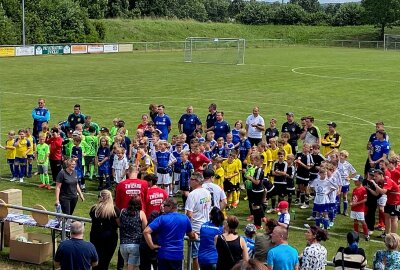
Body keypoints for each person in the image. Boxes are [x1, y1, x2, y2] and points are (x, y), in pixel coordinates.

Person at [144, 198, 197, 270]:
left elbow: (146, 231)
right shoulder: (185, 218)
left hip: (163, 254)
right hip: (177, 255)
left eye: (165, 205)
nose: (162, 207)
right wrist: (195, 235)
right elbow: (191, 235)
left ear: (171, 206)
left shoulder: (161, 219)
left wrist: (152, 246)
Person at [185, 172, 212, 270]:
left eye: (191, 179)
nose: (189, 181)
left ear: (196, 181)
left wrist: (187, 229)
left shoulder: (192, 194)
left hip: (196, 228)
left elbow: (189, 214)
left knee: (195, 255)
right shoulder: (207, 192)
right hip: (206, 226)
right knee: (205, 252)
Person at [89, 190, 120, 270]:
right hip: (109, 239)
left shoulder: (94, 209)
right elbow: (119, 223)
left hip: (95, 237)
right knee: (105, 262)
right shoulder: (114, 210)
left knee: (95, 260)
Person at [368, 169, 400, 237]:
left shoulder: (387, 181)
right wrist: (369, 189)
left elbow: (383, 192)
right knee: (386, 215)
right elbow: (377, 194)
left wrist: (374, 184)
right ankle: (387, 234)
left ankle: (393, 236)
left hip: (396, 201)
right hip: (389, 200)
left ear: (381, 175)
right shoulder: (380, 182)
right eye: (374, 176)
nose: (374, 178)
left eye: (376, 176)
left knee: (393, 218)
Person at [119, 196, 147, 270]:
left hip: (123, 245)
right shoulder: (141, 213)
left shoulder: (122, 211)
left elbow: (120, 223)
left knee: (126, 265)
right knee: (133, 267)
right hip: (135, 244)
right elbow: (145, 228)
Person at [350, 175, 369, 241]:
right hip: (354, 208)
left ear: (360, 181)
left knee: (362, 221)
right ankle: (356, 234)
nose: (354, 182)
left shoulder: (363, 189)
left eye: (356, 181)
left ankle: (366, 235)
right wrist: (351, 202)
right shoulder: (354, 189)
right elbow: (352, 197)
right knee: (355, 221)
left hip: (359, 209)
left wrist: (356, 203)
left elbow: (365, 199)